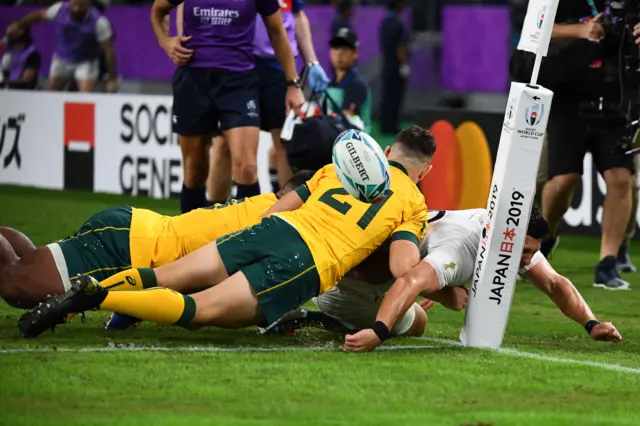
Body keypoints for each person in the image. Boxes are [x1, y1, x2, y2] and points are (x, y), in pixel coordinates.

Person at [18, 126, 435, 338]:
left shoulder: (335, 169)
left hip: (275, 228)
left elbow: (278, 206)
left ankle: (83, 298)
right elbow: (401, 266)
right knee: (200, 311)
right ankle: (102, 296)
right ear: (425, 172)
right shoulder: (412, 204)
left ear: (385, 153)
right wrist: (417, 246)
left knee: (166, 277)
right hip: (305, 261)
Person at [267, 206, 623, 347]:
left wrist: (591, 323)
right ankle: (323, 315)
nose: (528, 260)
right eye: (525, 253)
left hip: (384, 272)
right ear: (503, 240)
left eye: (532, 252)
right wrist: (378, 333)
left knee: (420, 316)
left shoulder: (507, 235)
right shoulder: (460, 249)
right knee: (416, 320)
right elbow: (409, 280)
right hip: (350, 282)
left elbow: (556, 284)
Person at [0, 172, 313, 310]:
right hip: (131, 248)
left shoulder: (264, 204)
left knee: (26, 269)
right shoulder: (276, 223)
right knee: (16, 283)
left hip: (133, 234)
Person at [152, 0, 304, 214]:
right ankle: (189, 240)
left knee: (247, 167)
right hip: (194, 80)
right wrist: (165, 42)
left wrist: (293, 84)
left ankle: (248, 243)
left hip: (239, 82)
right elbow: (158, 10)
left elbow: (277, 30)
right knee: (194, 171)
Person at [535, 3, 633, 290]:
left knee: (621, 178)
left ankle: (608, 263)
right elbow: (535, 30)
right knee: (563, 180)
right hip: (568, 100)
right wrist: (580, 30)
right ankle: (546, 238)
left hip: (616, 99)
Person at [8, 0, 118, 93]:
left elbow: (109, 51)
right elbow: (40, 15)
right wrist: (20, 24)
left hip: (86, 61)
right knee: (53, 93)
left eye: (80, 6)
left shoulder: (100, 22)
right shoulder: (59, 9)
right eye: (74, 5)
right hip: (61, 58)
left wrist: (112, 78)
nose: (77, 8)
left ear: (88, 5)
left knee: (86, 95)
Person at [325, 26, 372, 133]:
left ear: (355, 53)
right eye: (335, 47)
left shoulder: (357, 85)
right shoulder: (330, 84)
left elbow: (348, 123)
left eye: (345, 48)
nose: (339, 53)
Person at [379, 0, 410, 135]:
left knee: (387, 95)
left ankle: (384, 124)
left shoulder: (384, 23)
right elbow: (400, 47)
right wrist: (403, 64)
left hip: (386, 64)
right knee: (395, 96)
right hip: (396, 66)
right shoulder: (398, 24)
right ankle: (392, 125)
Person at [0, 22, 40, 90]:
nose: (10, 34)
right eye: (9, 32)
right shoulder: (8, 54)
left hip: (22, 92)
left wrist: (4, 84)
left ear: (23, 33)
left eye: (14, 31)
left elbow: (26, 82)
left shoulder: (32, 54)